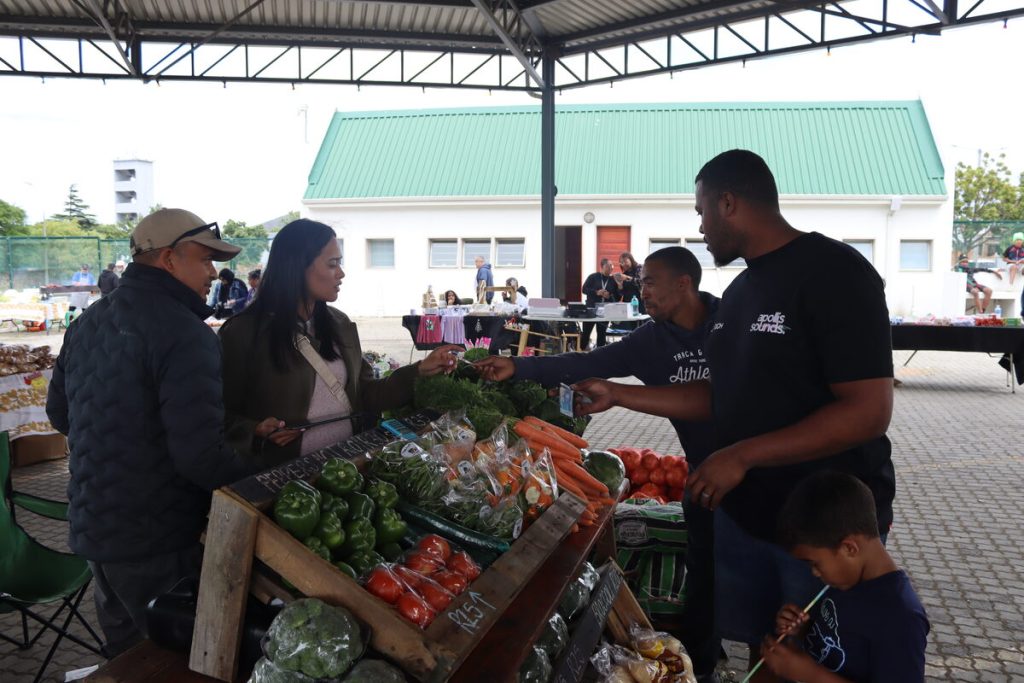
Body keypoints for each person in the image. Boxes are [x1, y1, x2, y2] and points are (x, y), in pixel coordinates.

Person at [573, 150, 895, 682]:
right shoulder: (740, 293)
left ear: (728, 202)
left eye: (701, 212)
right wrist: (619, 394)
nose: (699, 228)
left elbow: (868, 411)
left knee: (822, 664)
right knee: (764, 652)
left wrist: (741, 455)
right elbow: (719, 395)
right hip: (748, 517)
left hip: (825, 530)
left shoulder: (835, 273)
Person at [477, 246, 722, 682]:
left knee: (754, 573)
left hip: (757, 470)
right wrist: (517, 366)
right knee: (704, 573)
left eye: (649, 282)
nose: (639, 290)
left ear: (684, 284)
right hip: (703, 473)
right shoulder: (653, 339)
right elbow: (585, 361)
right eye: (641, 281)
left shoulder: (730, 323)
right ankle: (700, 667)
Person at [45, 208, 263, 657]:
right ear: (168, 259)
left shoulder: (88, 322)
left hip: (96, 528)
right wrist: (260, 482)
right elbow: (199, 456)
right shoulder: (186, 333)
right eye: (204, 260)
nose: (214, 272)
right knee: (173, 660)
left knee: (128, 658)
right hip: (158, 536)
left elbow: (60, 414)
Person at [220, 219, 461, 468]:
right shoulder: (243, 333)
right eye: (332, 264)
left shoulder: (339, 325)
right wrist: (255, 429)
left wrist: (419, 370)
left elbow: (367, 395)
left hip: (346, 470)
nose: (341, 273)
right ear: (297, 266)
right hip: (285, 481)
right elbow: (217, 416)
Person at [761, 471, 929, 682]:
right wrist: (804, 631)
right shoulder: (844, 581)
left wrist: (812, 675)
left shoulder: (901, 618)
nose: (814, 572)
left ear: (849, 548)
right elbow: (842, 645)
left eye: (815, 563)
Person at [580, 258, 621, 349]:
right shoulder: (593, 277)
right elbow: (584, 289)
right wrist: (596, 292)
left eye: (612, 266)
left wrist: (609, 296)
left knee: (601, 334)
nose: (611, 268)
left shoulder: (612, 280)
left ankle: (600, 355)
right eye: (609, 266)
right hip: (591, 309)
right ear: (602, 267)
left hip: (605, 311)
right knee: (586, 333)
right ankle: (580, 352)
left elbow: (617, 297)